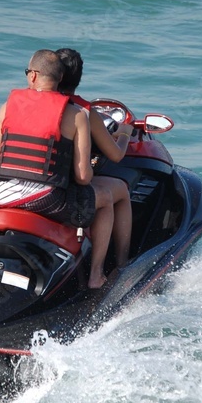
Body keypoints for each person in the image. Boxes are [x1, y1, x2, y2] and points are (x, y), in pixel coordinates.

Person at [0, 49, 116, 288]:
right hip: (45, 200)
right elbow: (83, 177)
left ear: (33, 76)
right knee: (105, 199)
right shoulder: (77, 114)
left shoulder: (7, 106)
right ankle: (96, 275)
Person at [55, 47, 133, 274]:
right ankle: (116, 266)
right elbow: (116, 155)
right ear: (77, 78)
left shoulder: (33, 106)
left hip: (30, 184)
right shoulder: (84, 112)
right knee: (118, 192)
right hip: (64, 191)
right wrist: (125, 134)